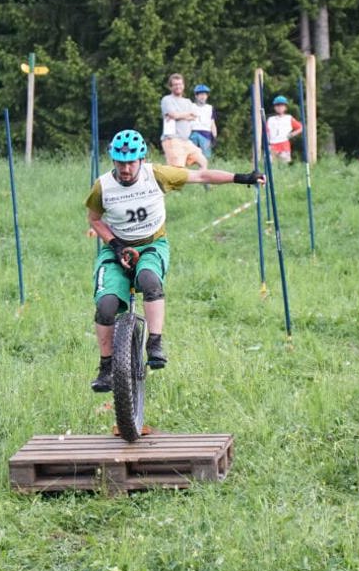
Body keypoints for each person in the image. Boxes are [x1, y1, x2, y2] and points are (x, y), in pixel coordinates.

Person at [86, 130, 263, 392]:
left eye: (131, 162)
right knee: (106, 305)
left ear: (141, 159)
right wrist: (115, 245)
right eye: (120, 162)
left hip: (151, 245)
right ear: (113, 160)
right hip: (116, 248)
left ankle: (155, 343)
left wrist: (241, 178)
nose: (125, 168)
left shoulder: (156, 175)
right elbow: (94, 219)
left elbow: (201, 175)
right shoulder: (103, 186)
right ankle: (106, 366)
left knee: (149, 280)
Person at [160, 73, 208, 170]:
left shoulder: (187, 101)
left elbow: (193, 116)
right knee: (177, 171)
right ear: (170, 87)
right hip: (172, 139)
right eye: (175, 84)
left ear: (183, 85)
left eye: (180, 84)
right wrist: (183, 114)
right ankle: (162, 184)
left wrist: (178, 115)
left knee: (203, 161)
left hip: (186, 140)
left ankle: (202, 181)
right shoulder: (167, 99)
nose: (178, 86)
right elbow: (173, 114)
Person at [266, 95, 303, 164]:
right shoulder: (270, 119)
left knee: (284, 165)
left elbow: (300, 127)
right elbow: (267, 132)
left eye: (282, 105)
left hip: (284, 146)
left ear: (285, 107)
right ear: (274, 107)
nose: (279, 107)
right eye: (277, 105)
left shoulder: (289, 118)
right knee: (271, 165)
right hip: (272, 145)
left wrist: (292, 134)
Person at [189, 84, 218, 158]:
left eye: (205, 94)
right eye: (201, 94)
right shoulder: (191, 106)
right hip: (193, 133)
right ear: (196, 96)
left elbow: (212, 123)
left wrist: (214, 136)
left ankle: (205, 169)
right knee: (191, 156)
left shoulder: (210, 108)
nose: (203, 97)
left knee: (206, 157)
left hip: (206, 134)